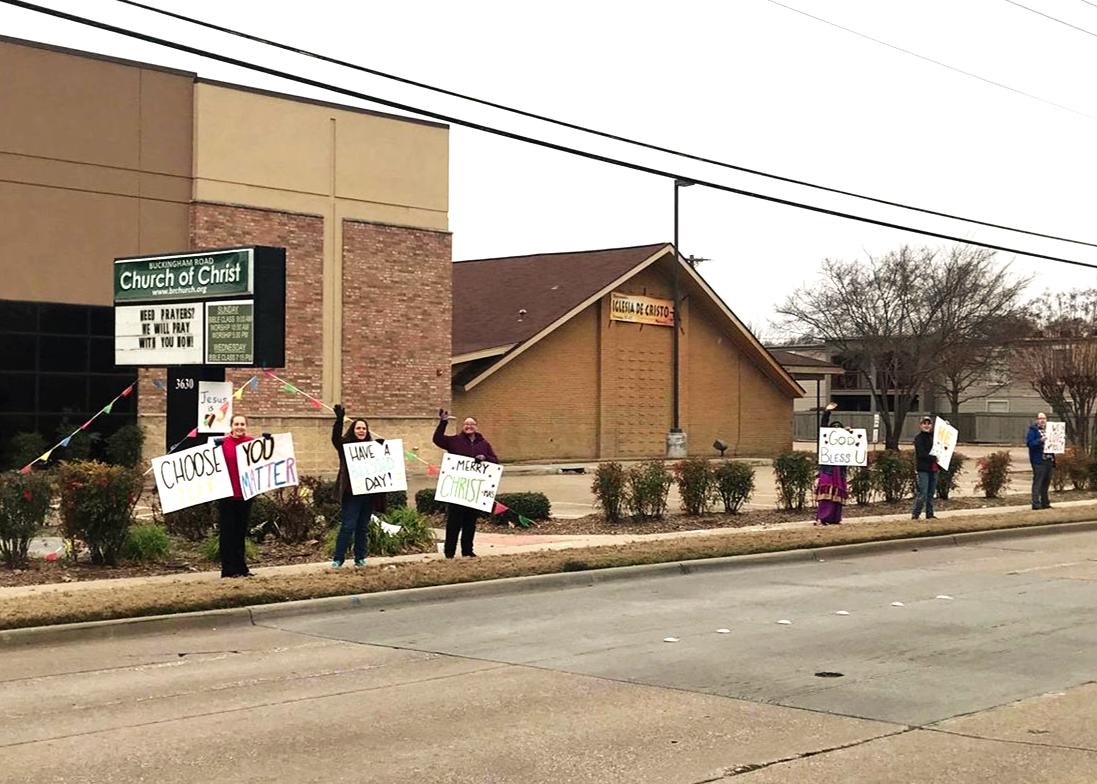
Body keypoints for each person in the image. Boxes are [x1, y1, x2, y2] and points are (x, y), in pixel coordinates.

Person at [433, 409, 499, 558]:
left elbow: (495, 461)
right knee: (453, 523)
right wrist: (443, 422)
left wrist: (485, 457)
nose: (469, 426)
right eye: (466, 424)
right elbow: (437, 440)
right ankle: (449, 552)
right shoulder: (454, 441)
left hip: (474, 491)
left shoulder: (484, 444)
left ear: (476, 427)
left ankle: (467, 551)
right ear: (463, 426)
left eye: (472, 424)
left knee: (470, 523)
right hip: (457, 490)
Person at [331, 403, 386, 568]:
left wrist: (384, 448)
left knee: (362, 527)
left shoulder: (373, 448)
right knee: (348, 526)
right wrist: (339, 420)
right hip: (351, 493)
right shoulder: (345, 446)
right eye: (358, 428)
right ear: (353, 430)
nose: (361, 431)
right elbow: (335, 438)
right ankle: (338, 559)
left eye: (364, 428)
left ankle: (360, 557)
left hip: (368, 494)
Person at [217, 414, 255, 578]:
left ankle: (242, 568)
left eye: (242, 424)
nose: (239, 427)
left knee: (240, 532)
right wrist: (213, 448)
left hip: (245, 495)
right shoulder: (222, 444)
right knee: (227, 533)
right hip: (227, 495)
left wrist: (269, 444)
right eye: (236, 424)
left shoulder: (252, 443)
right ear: (231, 426)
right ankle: (228, 569)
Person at [815, 402, 848, 525]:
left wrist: (850, 434)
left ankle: (835, 517)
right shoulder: (825, 439)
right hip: (828, 469)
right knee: (826, 494)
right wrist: (827, 412)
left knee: (838, 494)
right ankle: (822, 517)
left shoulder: (845, 442)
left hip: (840, 470)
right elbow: (823, 427)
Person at [1026, 411, 1055, 510]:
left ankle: (1045, 503)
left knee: (1046, 483)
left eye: (1044, 418)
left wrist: (1059, 440)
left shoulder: (1050, 430)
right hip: (1038, 461)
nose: (1042, 420)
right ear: (1037, 420)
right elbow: (1030, 444)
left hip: (1049, 460)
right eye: (1040, 418)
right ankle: (1035, 503)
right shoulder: (1033, 430)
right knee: (1038, 482)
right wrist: (1040, 441)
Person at [911, 416, 938, 519]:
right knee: (923, 493)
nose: (927, 425)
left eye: (929, 424)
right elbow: (921, 454)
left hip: (933, 469)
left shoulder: (932, 437)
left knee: (931, 493)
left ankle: (929, 514)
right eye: (924, 424)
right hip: (923, 469)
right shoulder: (918, 438)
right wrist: (934, 458)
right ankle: (916, 514)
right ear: (920, 425)